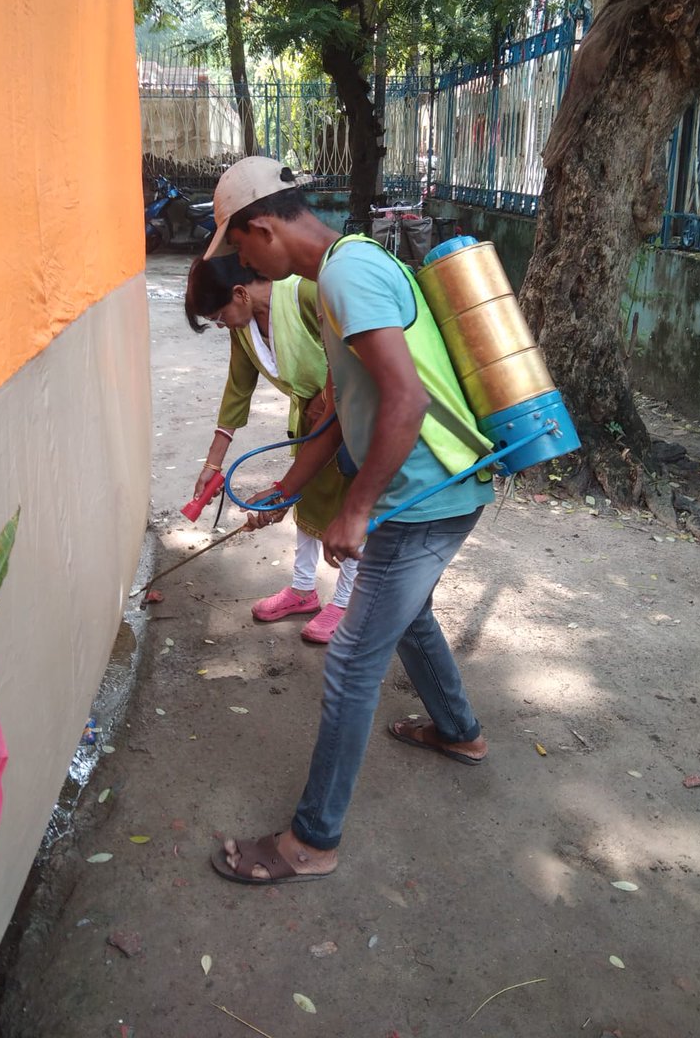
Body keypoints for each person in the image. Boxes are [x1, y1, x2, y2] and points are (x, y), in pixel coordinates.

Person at [204, 157, 495, 885]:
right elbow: (344, 412)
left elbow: (406, 403)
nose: (246, 265)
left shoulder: (345, 275)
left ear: (261, 229)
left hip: (426, 493)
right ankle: (459, 733)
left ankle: (312, 841)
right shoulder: (332, 276)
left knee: (352, 665)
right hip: (431, 489)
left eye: (241, 250)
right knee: (413, 617)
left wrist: (356, 511)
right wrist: (288, 490)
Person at [184, 252, 359, 644]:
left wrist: (331, 400)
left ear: (241, 293)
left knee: (351, 508)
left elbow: (353, 356)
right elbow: (237, 390)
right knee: (305, 499)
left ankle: (347, 603)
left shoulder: (307, 294)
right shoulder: (243, 328)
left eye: (218, 316)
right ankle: (302, 590)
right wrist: (213, 463)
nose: (220, 324)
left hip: (353, 418)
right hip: (311, 422)